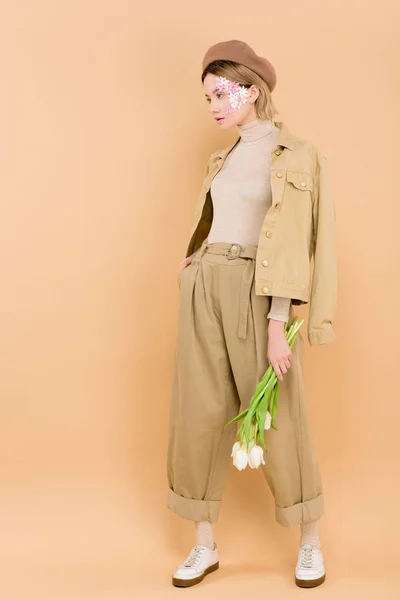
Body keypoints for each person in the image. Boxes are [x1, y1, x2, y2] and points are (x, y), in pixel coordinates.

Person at [166, 39, 338, 589]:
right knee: (198, 415)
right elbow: (221, 218)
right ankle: (204, 546)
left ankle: (310, 544)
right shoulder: (225, 155)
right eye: (208, 97)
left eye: (221, 93)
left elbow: (293, 242)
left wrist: (277, 321)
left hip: (259, 292)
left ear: (252, 89)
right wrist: (196, 262)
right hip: (206, 286)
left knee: (278, 417)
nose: (214, 105)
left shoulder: (297, 156)